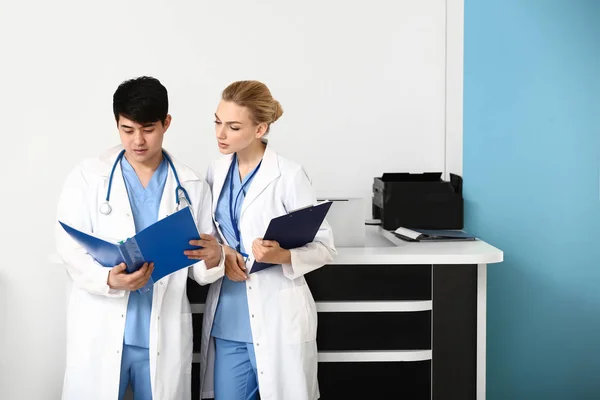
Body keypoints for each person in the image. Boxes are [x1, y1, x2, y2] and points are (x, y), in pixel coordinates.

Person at [55, 76, 225, 400]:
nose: (138, 141)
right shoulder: (88, 177)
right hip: (102, 328)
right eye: (127, 129)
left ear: (166, 123)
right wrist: (108, 278)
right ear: (117, 124)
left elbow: (201, 270)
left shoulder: (191, 185)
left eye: (148, 128)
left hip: (161, 334)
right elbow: (68, 245)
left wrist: (213, 257)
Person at [186, 80, 337, 400]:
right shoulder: (216, 170)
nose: (220, 134)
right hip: (228, 317)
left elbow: (324, 247)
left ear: (260, 129)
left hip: (277, 317)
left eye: (233, 126)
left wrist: (281, 255)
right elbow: (215, 235)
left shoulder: (289, 174)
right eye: (217, 121)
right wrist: (224, 253)